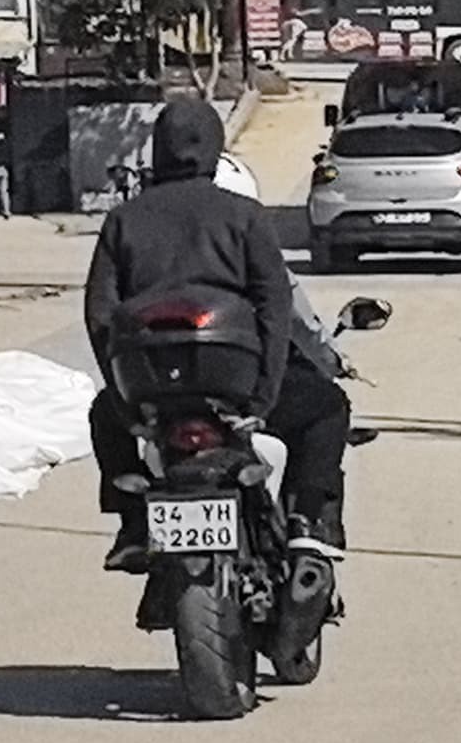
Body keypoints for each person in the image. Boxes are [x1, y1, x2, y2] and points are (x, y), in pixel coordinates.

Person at [82, 96, 351, 571]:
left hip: (152, 397)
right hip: (237, 391)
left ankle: (131, 524)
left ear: (156, 150)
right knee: (328, 407)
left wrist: (127, 405)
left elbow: (100, 313)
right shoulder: (244, 215)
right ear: (216, 148)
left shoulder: (124, 219)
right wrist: (262, 401)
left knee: (101, 414)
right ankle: (308, 521)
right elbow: (276, 305)